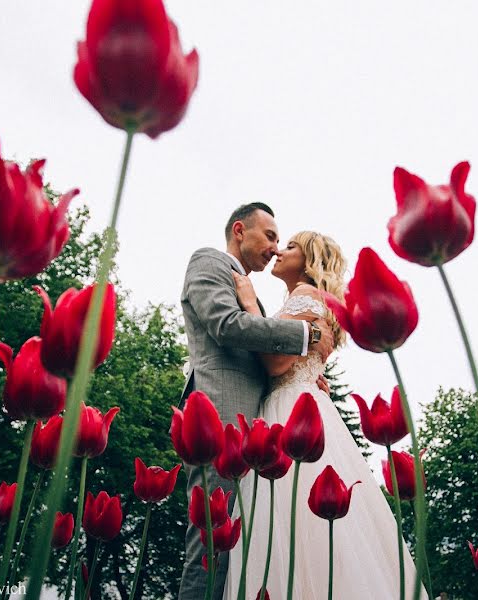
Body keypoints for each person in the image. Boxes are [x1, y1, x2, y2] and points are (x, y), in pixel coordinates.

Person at [223, 231, 424, 599]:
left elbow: (276, 362)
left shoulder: (305, 295)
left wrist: (250, 305)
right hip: (304, 406)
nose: (280, 251)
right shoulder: (305, 301)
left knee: (287, 523)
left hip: (289, 411)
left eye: (291, 246)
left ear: (311, 260)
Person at [178, 203, 334, 600]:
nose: (275, 247)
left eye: (282, 241)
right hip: (221, 421)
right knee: (212, 544)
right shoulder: (209, 262)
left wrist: (307, 373)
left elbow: (269, 361)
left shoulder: (257, 297)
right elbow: (227, 326)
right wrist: (308, 339)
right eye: (270, 236)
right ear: (239, 229)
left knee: (244, 548)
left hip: (256, 432)